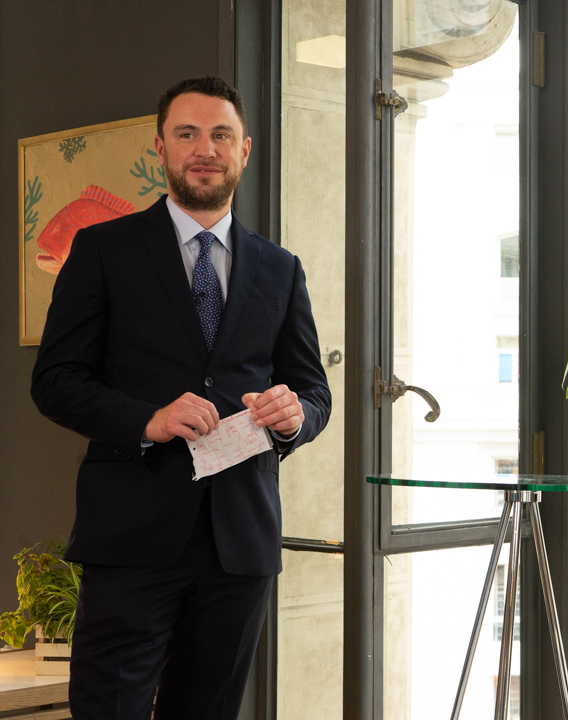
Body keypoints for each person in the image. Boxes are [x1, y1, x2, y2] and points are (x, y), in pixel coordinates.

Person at [31, 76, 332, 720]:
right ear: (161, 147)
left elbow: (313, 391)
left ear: (243, 150)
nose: (205, 149)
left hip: (240, 545)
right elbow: (55, 380)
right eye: (187, 134)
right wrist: (149, 419)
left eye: (221, 135)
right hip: (130, 538)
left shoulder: (280, 268)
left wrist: (295, 416)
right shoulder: (102, 250)